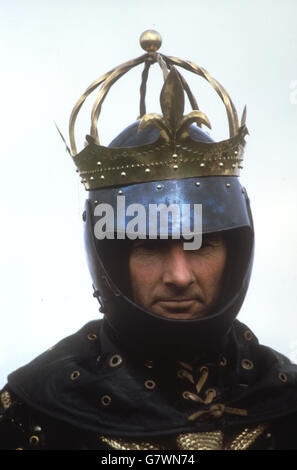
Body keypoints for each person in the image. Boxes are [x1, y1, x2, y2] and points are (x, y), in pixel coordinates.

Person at [1, 30, 297, 451]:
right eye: (150, 246)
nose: (178, 275)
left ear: (236, 251)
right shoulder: (33, 411)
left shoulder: (287, 401)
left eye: (200, 244)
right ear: (111, 257)